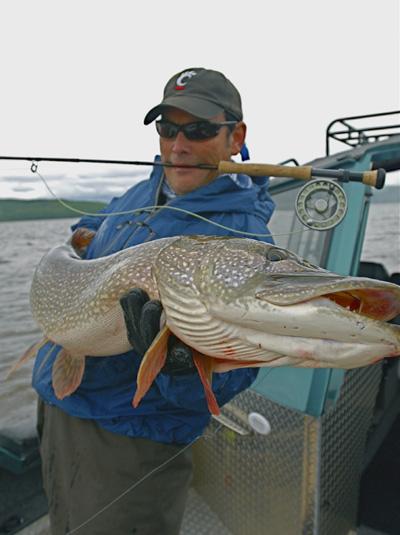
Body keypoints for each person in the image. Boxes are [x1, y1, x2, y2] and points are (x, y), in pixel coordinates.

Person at [33, 67, 275, 535]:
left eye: (200, 129)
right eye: (168, 128)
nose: (179, 145)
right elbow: (94, 226)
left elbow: (232, 375)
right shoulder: (140, 192)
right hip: (59, 404)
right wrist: (79, 242)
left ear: (235, 136)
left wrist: (183, 365)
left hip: (129, 439)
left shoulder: (241, 238)